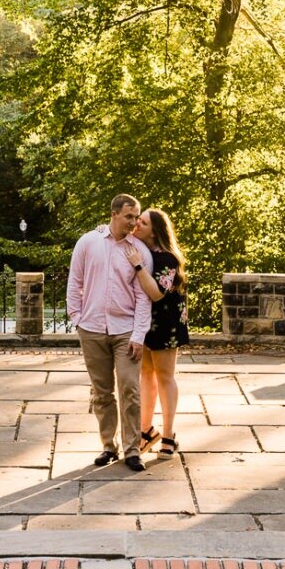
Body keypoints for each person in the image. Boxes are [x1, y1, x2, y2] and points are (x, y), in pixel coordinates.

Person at [67, 193, 153, 471]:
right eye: (129, 216)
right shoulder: (88, 242)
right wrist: (76, 317)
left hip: (125, 330)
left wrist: (139, 335)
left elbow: (143, 297)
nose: (134, 222)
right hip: (91, 328)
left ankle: (132, 450)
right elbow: (75, 281)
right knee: (102, 392)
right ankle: (108, 446)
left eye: (137, 217)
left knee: (130, 388)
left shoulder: (138, 251)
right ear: (114, 213)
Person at [128, 207, 190, 459]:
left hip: (166, 322)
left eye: (142, 222)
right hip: (145, 322)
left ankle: (168, 434)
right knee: (146, 375)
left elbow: (156, 293)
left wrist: (138, 266)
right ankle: (146, 431)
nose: (136, 225)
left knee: (165, 376)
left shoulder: (167, 258)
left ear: (155, 230)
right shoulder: (145, 251)